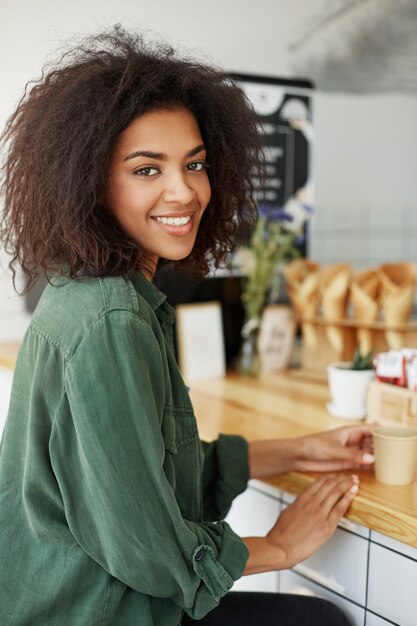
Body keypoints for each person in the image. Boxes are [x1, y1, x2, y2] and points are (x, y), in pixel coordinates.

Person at [0, 27, 374, 626]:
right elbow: (147, 546)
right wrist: (279, 546)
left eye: (194, 163)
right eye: (147, 170)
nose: (185, 190)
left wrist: (304, 450)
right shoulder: (111, 321)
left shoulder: (94, 293)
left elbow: (156, 468)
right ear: (89, 179)